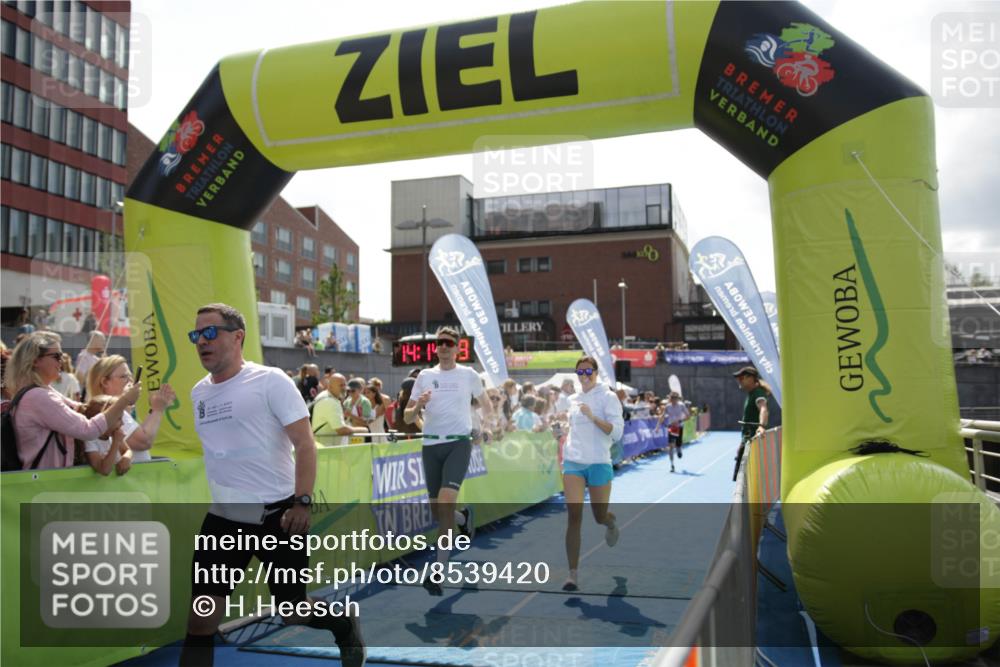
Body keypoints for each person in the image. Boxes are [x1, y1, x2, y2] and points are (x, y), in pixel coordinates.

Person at [180, 303, 365, 667]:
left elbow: (306, 444)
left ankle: (343, 624)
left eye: (210, 333)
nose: (202, 341)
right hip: (223, 521)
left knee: (292, 611)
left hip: (279, 517)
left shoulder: (270, 381)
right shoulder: (198, 393)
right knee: (201, 620)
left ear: (238, 337)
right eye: (196, 335)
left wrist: (302, 502)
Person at [404, 326, 493, 595]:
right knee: (437, 512)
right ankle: (462, 518)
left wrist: (485, 427)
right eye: (439, 342)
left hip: (458, 443)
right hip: (431, 445)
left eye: (448, 343)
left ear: (457, 347)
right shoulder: (424, 376)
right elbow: (408, 418)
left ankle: (438, 571)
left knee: (443, 503)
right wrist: (418, 404)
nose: (443, 346)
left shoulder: (468, 374)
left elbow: (486, 405)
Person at [4, 332, 138, 470]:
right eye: (56, 356)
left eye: (61, 355)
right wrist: (124, 399)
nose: (61, 360)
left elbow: (83, 409)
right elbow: (88, 429)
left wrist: (119, 402)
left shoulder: (41, 391)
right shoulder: (38, 397)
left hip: (46, 480)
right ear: (35, 361)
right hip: (45, 482)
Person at [561, 356, 625, 592]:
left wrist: (592, 417)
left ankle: (610, 522)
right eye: (580, 372)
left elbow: (616, 433)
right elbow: (573, 429)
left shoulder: (608, 397)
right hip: (573, 463)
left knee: (598, 516)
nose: (584, 376)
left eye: (588, 371)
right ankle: (572, 575)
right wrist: (561, 430)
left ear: (596, 373)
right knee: (574, 515)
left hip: (599, 462)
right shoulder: (572, 399)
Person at [86, 355, 176, 463]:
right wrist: (157, 409)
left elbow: (139, 435)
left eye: (130, 376)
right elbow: (143, 442)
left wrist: (155, 408)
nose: (131, 381)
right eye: (124, 376)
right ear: (105, 382)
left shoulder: (113, 411)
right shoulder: (110, 412)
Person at [732, 366, 771, 481]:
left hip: (753, 441)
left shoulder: (758, 393)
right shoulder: (752, 393)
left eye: (741, 377)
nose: (739, 380)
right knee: (742, 479)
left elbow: (763, 409)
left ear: (750, 378)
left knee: (745, 479)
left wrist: (761, 426)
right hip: (747, 439)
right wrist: (742, 443)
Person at [78, 395, 132, 476]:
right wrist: (116, 443)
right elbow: (104, 469)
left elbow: (127, 450)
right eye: (118, 419)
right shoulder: (90, 440)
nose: (122, 423)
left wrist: (127, 458)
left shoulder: (113, 435)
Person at [312, 373, 367, 446]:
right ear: (330, 387)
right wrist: (363, 430)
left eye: (345, 384)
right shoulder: (331, 402)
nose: (345, 388)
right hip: (327, 449)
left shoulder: (324, 396)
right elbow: (342, 430)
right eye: (341, 385)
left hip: (323, 447)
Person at [655, 392, 690, 473]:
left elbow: (688, 416)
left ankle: (679, 449)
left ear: (677, 399)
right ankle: (672, 465)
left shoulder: (681, 405)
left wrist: (679, 420)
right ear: (670, 399)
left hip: (679, 427)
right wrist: (657, 427)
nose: (673, 400)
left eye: (675, 398)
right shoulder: (668, 406)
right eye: (672, 398)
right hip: (671, 427)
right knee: (670, 446)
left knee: (678, 444)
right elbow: (662, 416)